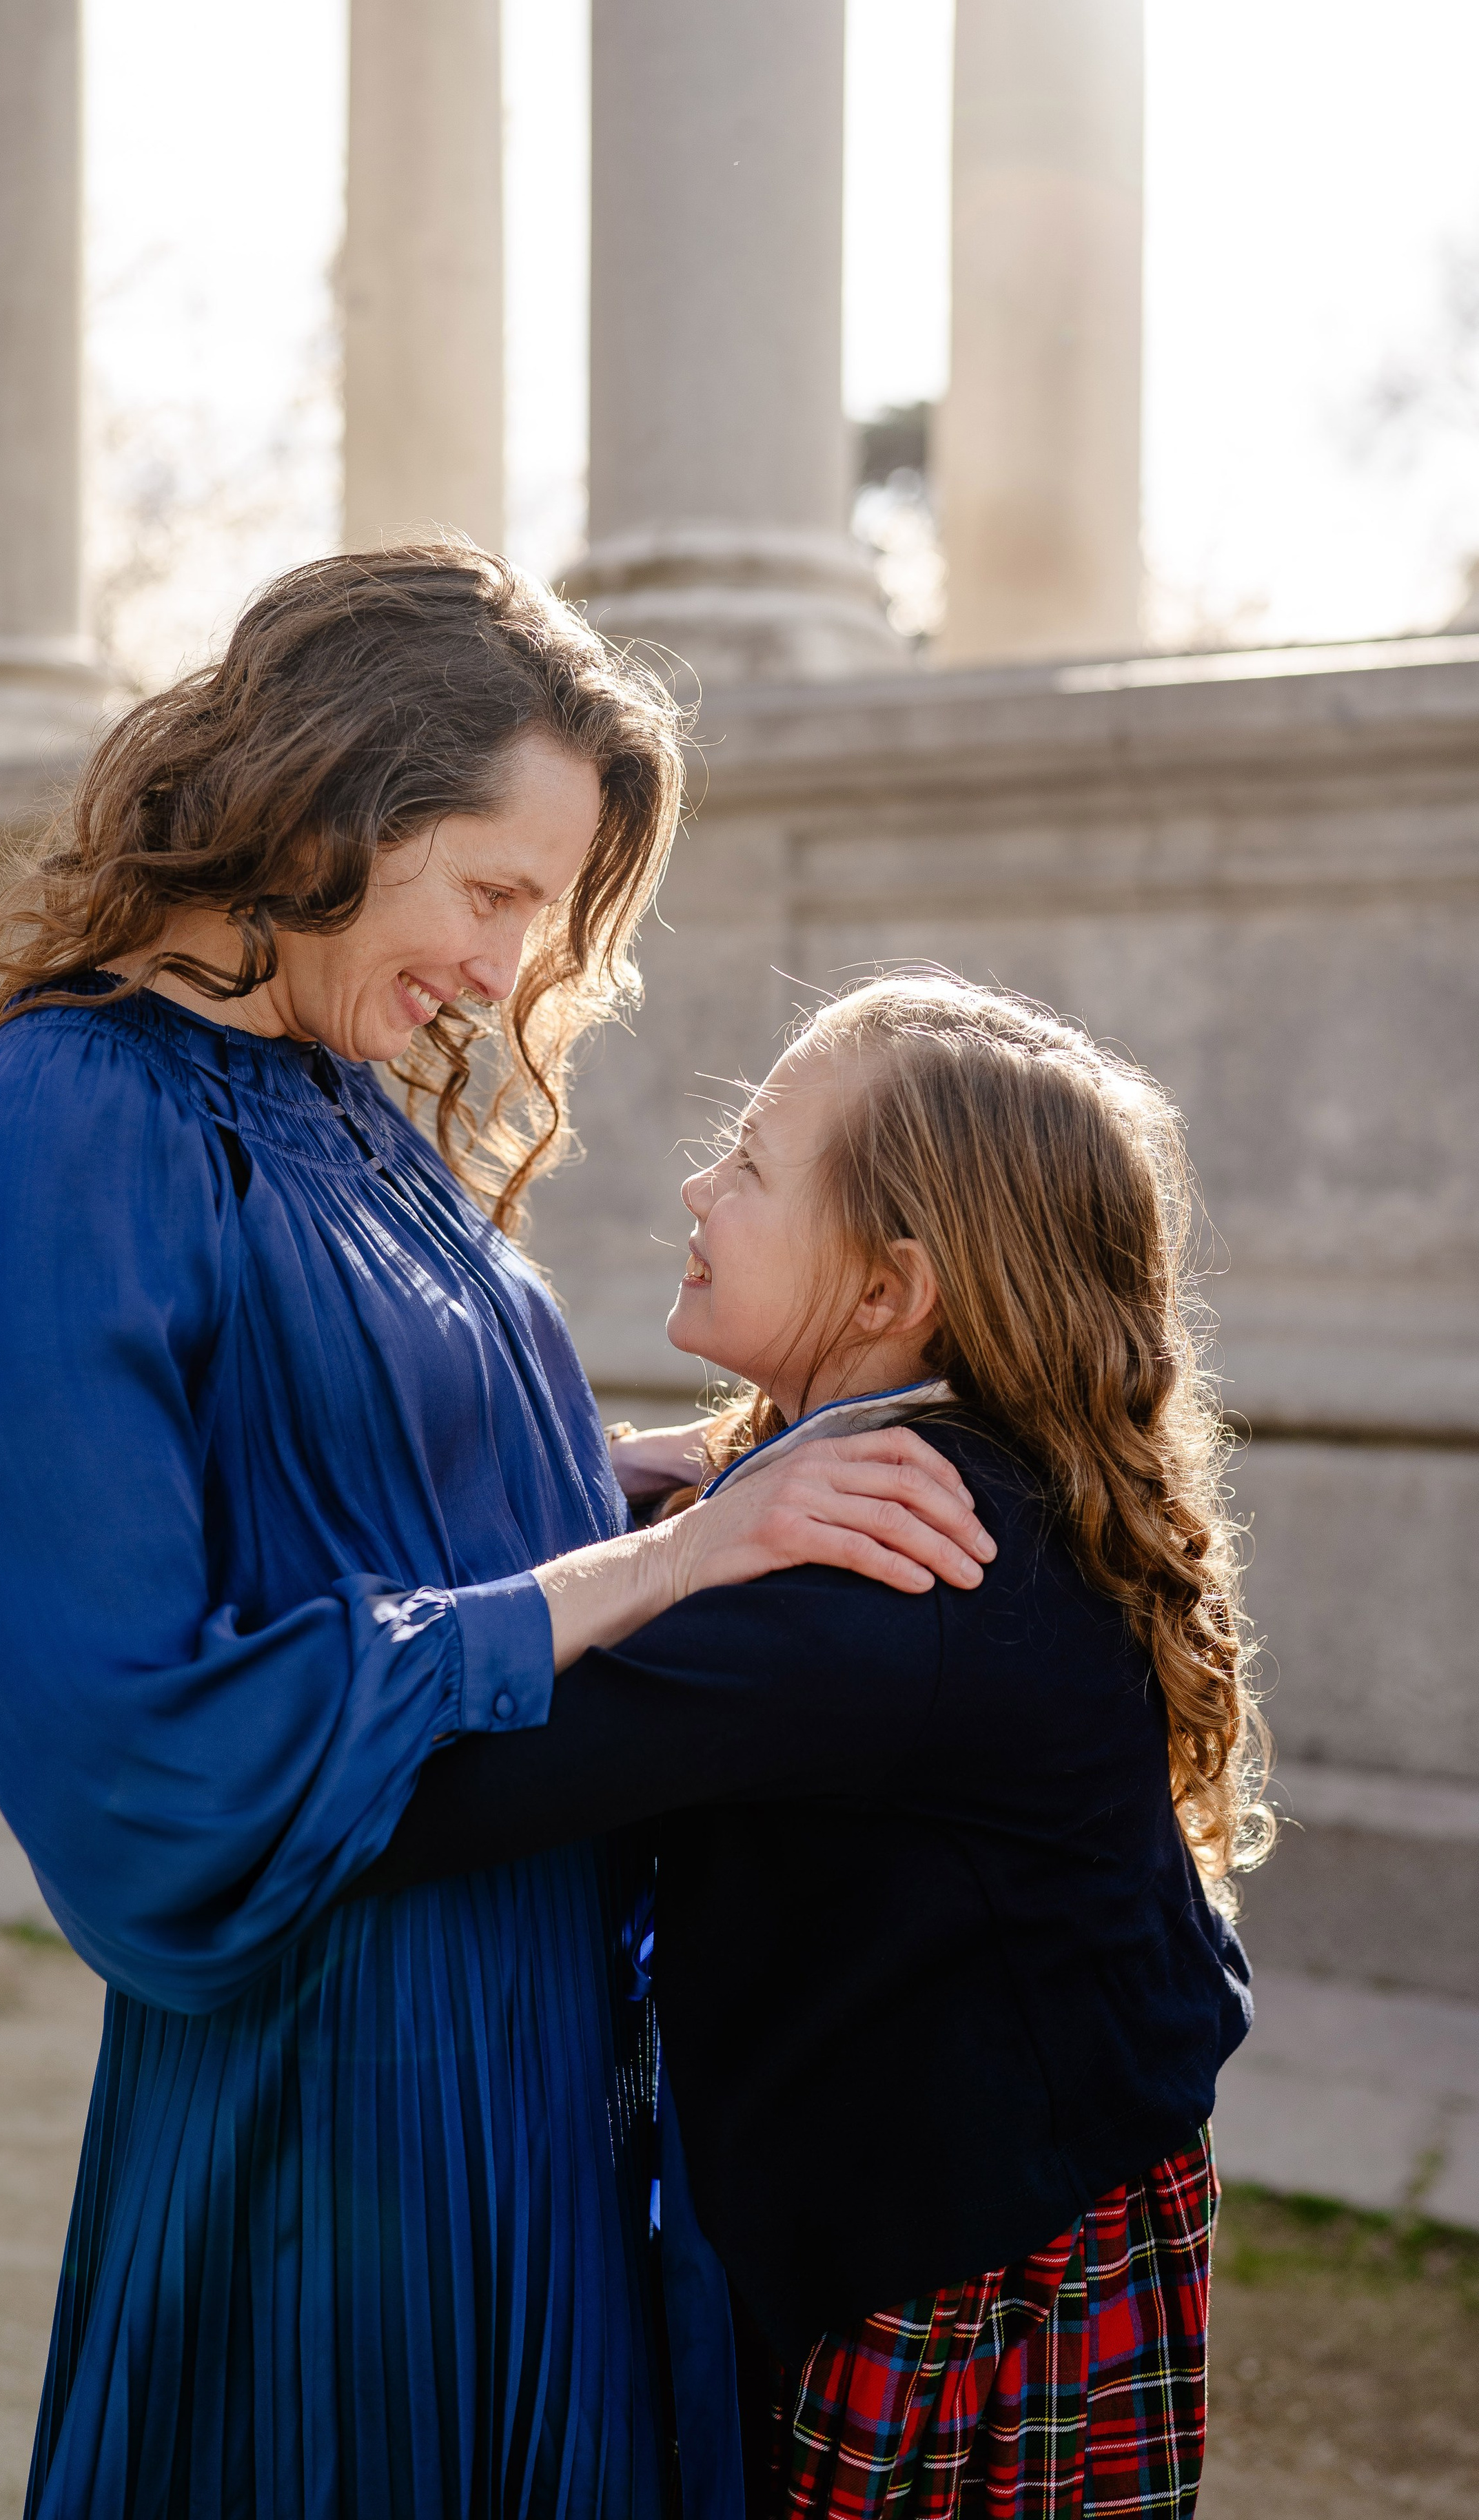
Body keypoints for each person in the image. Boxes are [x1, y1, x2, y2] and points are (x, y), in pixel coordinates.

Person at [0, 548, 996, 2520]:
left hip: (546, 2036)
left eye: (541, 915)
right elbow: (131, 1740)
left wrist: (671, 1480)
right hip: (331, 2096)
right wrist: (653, 1568)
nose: (505, 971)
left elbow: (410, 1505)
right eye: (492, 892)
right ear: (326, 805)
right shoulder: (66, 1120)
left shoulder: (351, 1100)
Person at [351, 972, 1271, 2519]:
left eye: (754, 1165)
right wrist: (622, 1489)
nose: (698, 1188)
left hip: (972, 2257)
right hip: (989, 2175)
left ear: (883, 1292)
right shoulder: (895, 1455)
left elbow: (420, 1789)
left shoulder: (883, 1571)